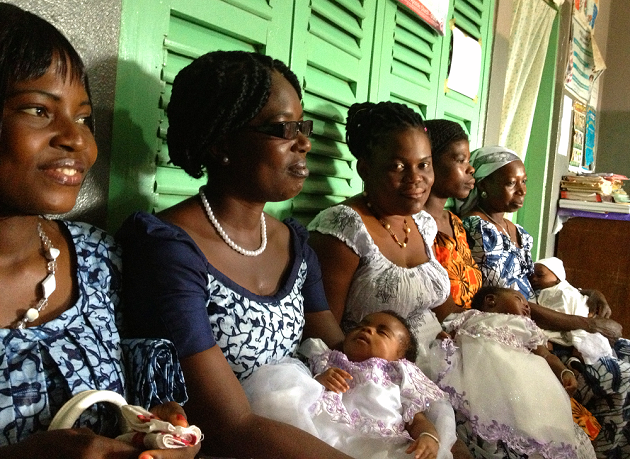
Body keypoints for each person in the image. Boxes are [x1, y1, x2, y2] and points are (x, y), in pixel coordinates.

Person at [117, 50, 354, 459]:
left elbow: (338, 350)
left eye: (303, 126)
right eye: (284, 129)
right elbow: (230, 425)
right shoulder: (169, 250)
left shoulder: (294, 245)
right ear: (222, 143)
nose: (304, 143)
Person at [0, 4, 199, 459]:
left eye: (83, 117)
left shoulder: (100, 258)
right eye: (38, 110)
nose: (78, 140)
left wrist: (155, 433)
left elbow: (137, 404)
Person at [307, 102, 469, 458]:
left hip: (437, 366)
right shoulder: (344, 228)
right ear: (365, 168)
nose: (416, 179)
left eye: (424, 165)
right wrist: (390, 378)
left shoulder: (423, 223)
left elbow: (445, 309)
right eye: (398, 166)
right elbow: (322, 323)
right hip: (377, 377)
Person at [457, 145, 630, 458]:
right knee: (621, 382)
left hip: (544, 320)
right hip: (516, 329)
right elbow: (511, 301)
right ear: (483, 185)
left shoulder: (518, 231)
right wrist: (589, 324)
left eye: (524, 181)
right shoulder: (477, 229)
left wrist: (588, 292)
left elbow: (533, 286)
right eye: (511, 183)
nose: (522, 189)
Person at [242, 311, 456, 459]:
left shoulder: (399, 374)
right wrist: (320, 380)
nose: (367, 330)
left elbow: (417, 419)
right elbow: (307, 389)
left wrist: (428, 436)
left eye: (382, 332)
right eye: (362, 325)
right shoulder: (328, 359)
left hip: (380, 443)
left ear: (400, 357)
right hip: (325, 435)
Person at [434, 286, 595, 459]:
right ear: (491, 300)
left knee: (530, 416)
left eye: (527, 305)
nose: (527, 307)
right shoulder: (470, 316)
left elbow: (547, 355)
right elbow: (449, 333)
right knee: (484, 416)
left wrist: (564, 372)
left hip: (521, 376)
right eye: (519, 299)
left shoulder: (526, 326)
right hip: (479, 377)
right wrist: (445, 338)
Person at [423, 119, 481, 310]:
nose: (470, 169)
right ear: (429, 163)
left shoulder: (454, 222)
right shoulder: (414, 226)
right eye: (460, 160)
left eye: (468, 161)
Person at [530, 258, 613, 364]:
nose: (534, 279)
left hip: (578, 328)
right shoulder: (543, 291)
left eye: (540, 275)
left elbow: (565, 309)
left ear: (558, 278)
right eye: (532, 276)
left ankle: (574, 359)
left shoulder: (562, 292)